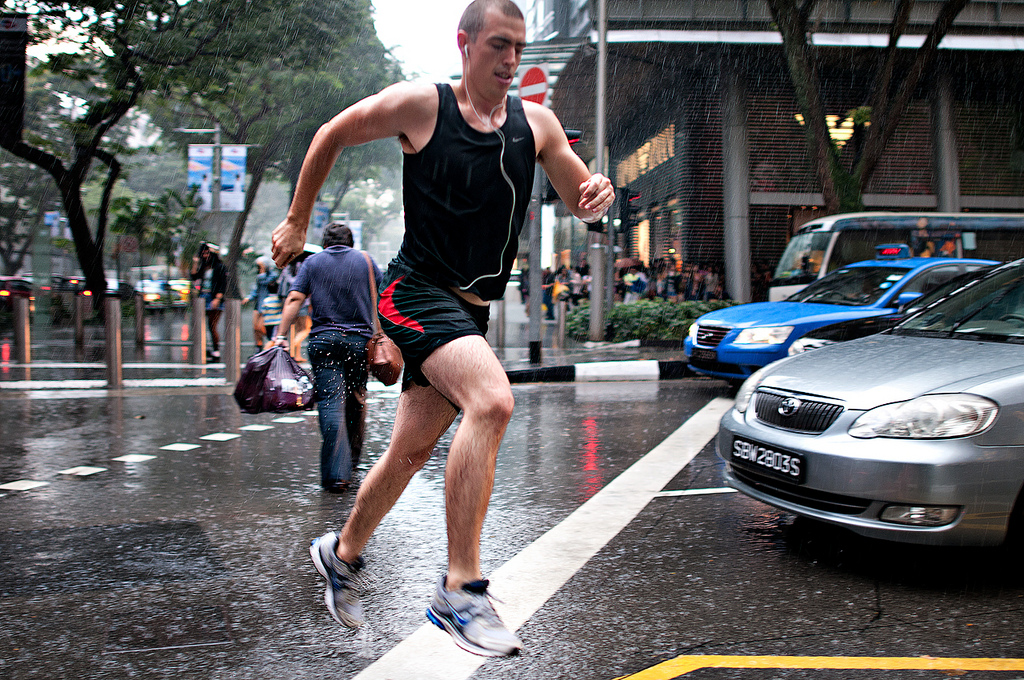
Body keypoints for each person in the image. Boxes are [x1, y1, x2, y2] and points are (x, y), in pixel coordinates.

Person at [271, 0, 613, 657]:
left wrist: (595, 192)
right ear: (465, 44)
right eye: (498, 46)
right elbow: (332, 133)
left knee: (410, 451)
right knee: (493, 401)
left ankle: (340, 554)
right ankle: (460, 590)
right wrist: (295, 220)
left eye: (519, 46)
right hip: (414, 292)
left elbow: (579, 198)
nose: (511, 60)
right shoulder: (422, 107)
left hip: (470, 310)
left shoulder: (536, 123)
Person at [272, 223, 377, 493]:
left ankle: (336, 474)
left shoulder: (313, 263)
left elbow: (295, 298)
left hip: (324, 341)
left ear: (325, 243)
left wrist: (280, 335)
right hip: (359, 343)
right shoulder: (365, 261)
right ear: (350, 241)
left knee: (331, 403)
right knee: (355, 400)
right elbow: (386, 297)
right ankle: (350, 463)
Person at [189, 242, 227, 360]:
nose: (205, 255)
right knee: (200, 325)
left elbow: (223, 284)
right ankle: (204, 349)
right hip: (203, 298)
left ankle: (216, 351)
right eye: (203, 253)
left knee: (212, 325)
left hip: (214, 298)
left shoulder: (219, 267)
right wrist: (195, 262)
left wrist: (217, 298)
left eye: (207, 253)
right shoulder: (203, 267)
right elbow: (194, 276)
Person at [243, 258, 276, 350]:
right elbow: (256, 290)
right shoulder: (259, 276)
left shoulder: (271, 275)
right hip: (258, 303)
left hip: (267, 304)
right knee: (256, 328)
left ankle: (273, 340)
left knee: (261, 327)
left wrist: (262, 272)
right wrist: (249, 298)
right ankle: (259, 346)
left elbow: (265, 282)